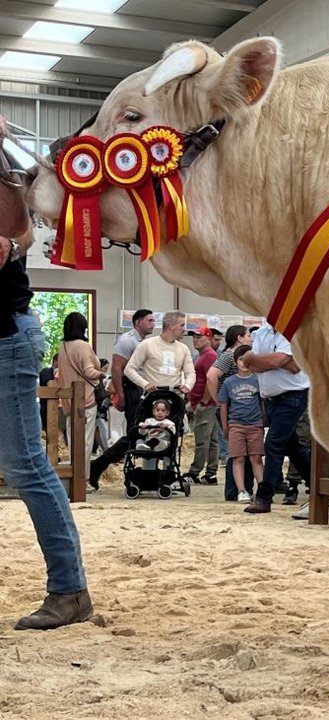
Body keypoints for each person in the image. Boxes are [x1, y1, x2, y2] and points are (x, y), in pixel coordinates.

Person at [0, 126, 93, 629]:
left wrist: (10, 247)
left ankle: (69, 591)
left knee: (26, 467)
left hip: (5, 337)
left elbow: (16, 238)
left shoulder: (5, 170)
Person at [241, 321, 311, 514]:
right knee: (291, 446)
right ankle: (316, 485)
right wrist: (264, 360)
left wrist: (257, 359)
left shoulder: (292, 330)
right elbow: (251, 364)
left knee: (273, 442)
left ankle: (264, 496)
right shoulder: (262, 332)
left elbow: (282, 363)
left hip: (293, 394)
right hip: (271, 397)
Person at [88, 308, 156, 488]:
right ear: (138, 322)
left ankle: (99, 465)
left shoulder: (143, 342)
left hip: (139, 389)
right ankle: (98, 465)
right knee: (135, 434)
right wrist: (121, 394)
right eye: (150, 320)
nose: (153, 324)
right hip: (130, 389)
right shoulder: (127, 341)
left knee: (139, 434)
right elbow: (116, 369)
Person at [205, 325, 254, 500]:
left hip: (239, 409)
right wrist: (218, 400)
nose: (251, 338)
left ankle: (243, 489)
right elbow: (212, 375)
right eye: (248, 335)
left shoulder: (239, 355)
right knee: (237, 450)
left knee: (244, 451)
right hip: (232, 410)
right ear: (239, 338)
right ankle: (234, 490)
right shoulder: (228, 356)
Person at [55, 312, 105, 478]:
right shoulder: (83, 346)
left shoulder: (63, 347)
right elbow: (89, 371)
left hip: (69, 400)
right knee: (85, 441)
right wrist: (101, 374)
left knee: (73, 440)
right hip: (86, 399)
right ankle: (82, 478)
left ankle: (72, 476)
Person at [218, 346, 265, 504]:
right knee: (238, 458)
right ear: (235, 361)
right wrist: (225, 426)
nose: (244, 363)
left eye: (247, 359)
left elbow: (262, 402)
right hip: (236, 425)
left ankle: (263, 490)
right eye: (240, 359)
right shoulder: (229, 382)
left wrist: (262, 422)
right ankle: (241, 490)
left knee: (256, 458)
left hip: (255, 425)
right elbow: (224, 405)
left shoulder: (258, 379)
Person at [123, 311, 194, 395]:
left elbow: (190, 373)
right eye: (182, 325)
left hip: (175, 397)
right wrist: (145, 384)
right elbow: (129, 369)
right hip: (153, 397)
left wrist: (188, 385)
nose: (184, 329)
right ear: (171, 326)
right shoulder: (147, 344)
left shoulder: (184, 348)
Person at [183, 326, 220, 485]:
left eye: (199, 337)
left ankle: (195, 471)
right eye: (194, 337)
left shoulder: (210, 356)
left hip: (205, 403)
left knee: (202, 440)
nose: (195, 339)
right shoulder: (203, 356)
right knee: (211, 440)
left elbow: (210, 380)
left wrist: (204, 401)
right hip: (203, 402)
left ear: (208, 339)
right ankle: (211, 473)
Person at [134, 399, 177, 470]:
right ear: (153, 412)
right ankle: (142, 447)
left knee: (165, 443)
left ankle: (159, 447)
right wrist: (142, 427)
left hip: (162, 441)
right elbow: (142, 433)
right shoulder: (149, 421)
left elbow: (173, 433)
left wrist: (167, 427)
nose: (160, 413)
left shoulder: (169, 423)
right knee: (139, 440)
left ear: (167, 413)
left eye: (163, 411)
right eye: (157, 410)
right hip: (149, 442)